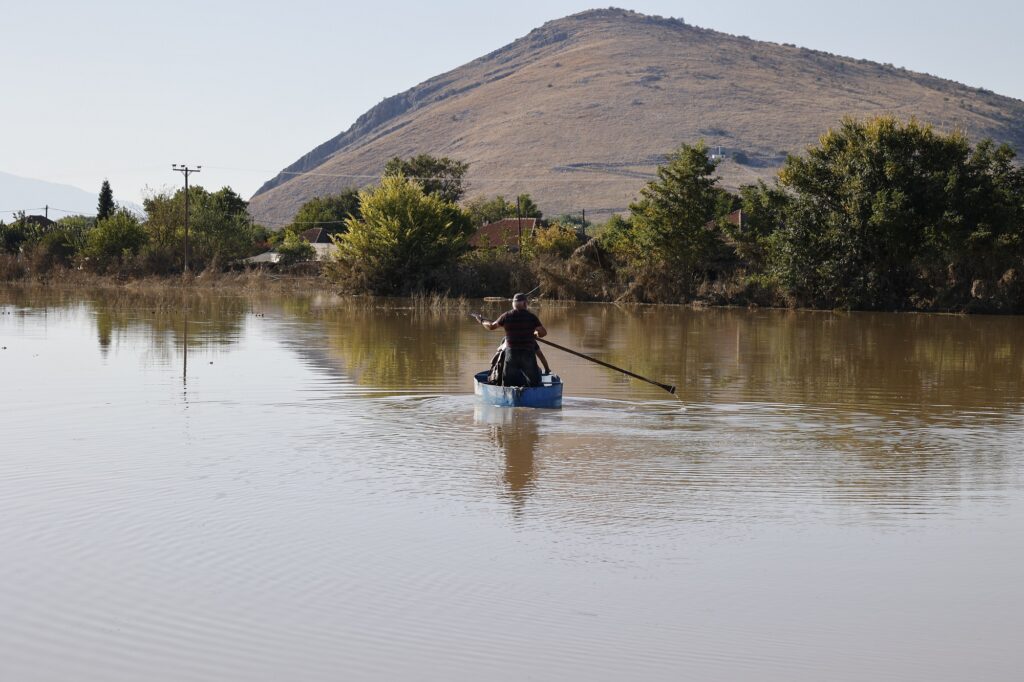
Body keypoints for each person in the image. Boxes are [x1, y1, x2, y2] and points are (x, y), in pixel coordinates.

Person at [473, 293, 547, 386]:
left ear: (513, 304)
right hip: (527, 354)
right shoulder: (532, 317)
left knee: (507, 384)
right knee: (534, 384)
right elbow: (543, 333)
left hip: (512, 354)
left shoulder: (506, 316)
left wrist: (481, 320)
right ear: (525, 304)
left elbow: (491, 326)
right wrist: (536, 333)